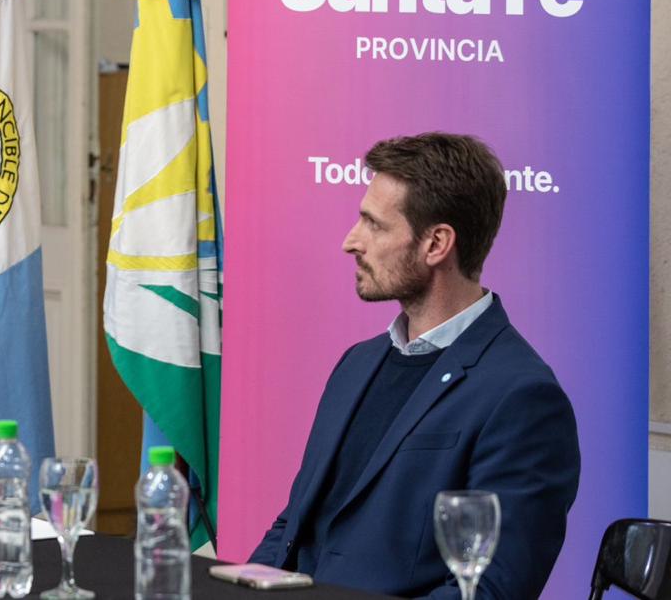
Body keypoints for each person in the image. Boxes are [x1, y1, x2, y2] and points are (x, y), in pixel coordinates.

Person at [248, 133, 580, 597]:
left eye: (374, 224)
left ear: (436, 244)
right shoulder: (357, 364)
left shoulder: (521, 397)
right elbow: (293, 526)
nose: (351, 241)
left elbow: (490, 591)